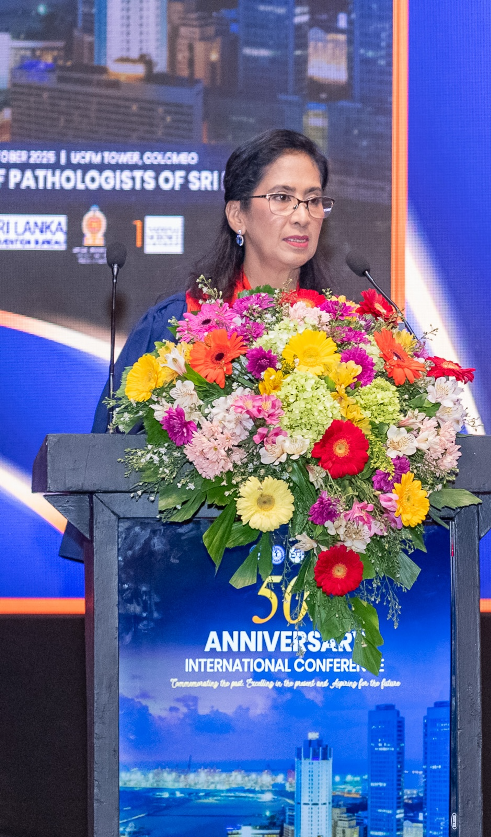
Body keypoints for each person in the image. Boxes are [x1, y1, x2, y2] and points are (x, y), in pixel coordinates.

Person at [60, 128, 334, 559]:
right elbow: (111, 465)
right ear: (238, 215)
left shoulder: (341, 336)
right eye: (282, 198)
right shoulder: (175, 326)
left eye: (313, 200)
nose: (302, 216)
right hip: (184, 565)